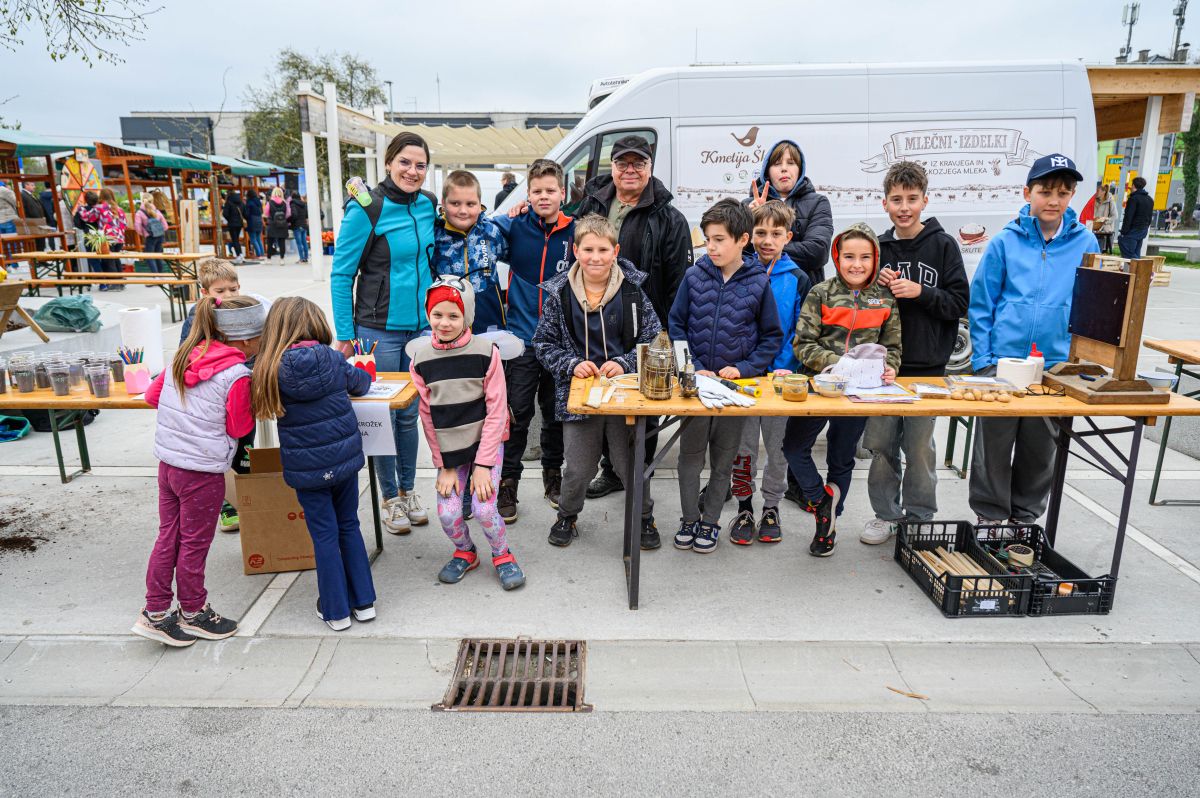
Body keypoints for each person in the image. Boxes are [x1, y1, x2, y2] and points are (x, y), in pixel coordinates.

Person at [969, 153, 1098, 527]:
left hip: (1055, 366)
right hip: (1004, 362)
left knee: (1040, 448)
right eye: (1045, 191)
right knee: (993, 445)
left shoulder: (1086, 243)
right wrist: (984, 360)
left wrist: (1078, 361)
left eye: (1063, 192)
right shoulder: (1004, 242)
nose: (1053, 200)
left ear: (1071, 196)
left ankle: (1024, 519)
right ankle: (990, 516)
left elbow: (1091, 305)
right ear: (1028, 193)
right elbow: (982, 303)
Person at [133, 295, 264, 646]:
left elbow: (151, 396)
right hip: (202, 473)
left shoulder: (182, 356)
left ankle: (155, 612)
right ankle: (193, 611)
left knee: (168, 536)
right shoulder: (237, 375)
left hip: (169, 465)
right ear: (247, 339)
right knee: (194, 544)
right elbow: (239, 428)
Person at [571, 134, 693, 500]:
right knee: (603, 398)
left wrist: (667, 335)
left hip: (645, 327)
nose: (630, 169)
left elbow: (678, 283)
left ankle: (638, 476)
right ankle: (611, 471)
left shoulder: (669, 218)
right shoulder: (591, 204)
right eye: (622, 162)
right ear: (612, 167)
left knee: (643, 407)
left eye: (638, 163)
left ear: (650, 167)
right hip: (595, 323)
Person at [535, 214, 663, 549]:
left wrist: (624, 362)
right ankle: (567, 515)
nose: (595, 257)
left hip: (624, 395)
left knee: (629, 463)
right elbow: (543, 344)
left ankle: (644, 517)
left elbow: (655, 341)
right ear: (576, 251)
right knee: (578, 467)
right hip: (579, 396)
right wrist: (571, 364)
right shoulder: (559, 294)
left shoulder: (633, 292)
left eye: (603, 250)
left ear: (615, 251)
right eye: (588, 249)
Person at [331, 131, 436, 535]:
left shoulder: (427, 205)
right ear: (389, 162)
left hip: (420, 330)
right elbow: (342, 274)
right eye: (405, 162)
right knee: (381, 417)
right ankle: (389, 498)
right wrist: (345, 334)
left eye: (420, 165)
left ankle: (408, 491)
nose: (412, 171)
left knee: (409, 415)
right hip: (375, 331)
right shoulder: (367, 208)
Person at [252, 297, 376, 631]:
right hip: (344, 461)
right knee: (349, 524)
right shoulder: (333, 358)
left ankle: (336, 611)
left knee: (324, 535)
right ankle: (364, 603)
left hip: (305, 468)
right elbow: (362, 383)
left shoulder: (269, 368)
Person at [860, 161, 968, 545]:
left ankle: (920, 515)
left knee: (920, 447)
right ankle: (885, 514)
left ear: (925, 200)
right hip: (882, 368)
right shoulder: (878, 248)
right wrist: (875, 285)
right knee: (881, 446)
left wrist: (921, 292)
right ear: (884, 203)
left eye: (911, 199)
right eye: (896, 200)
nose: (904, 207)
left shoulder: (943, 245)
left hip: (928, 367)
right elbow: (859, 303)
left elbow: (959, 303)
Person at [668, 199, 782, 554]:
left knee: (723, 461)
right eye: (708, 239)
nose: (712, 247)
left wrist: (745, 368)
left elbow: (771, 337)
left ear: (742, 239)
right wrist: (691, 365)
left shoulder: (758, 283)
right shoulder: (693, 276)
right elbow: (676, 325)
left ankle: (711, 521)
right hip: (696, 388)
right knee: (689, 458)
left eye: (719, 239)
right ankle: (689, 518)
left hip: (733, 392)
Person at [785, 223, 901, 557]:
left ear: (875, 259)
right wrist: (839, 363)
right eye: (849, 256)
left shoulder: (884, 298)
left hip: (859, 393)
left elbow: (892, 346)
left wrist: (891, 367)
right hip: (818, 386)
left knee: (841, 457)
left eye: (865, 257)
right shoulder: (820, 293)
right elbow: (803, 344)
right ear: (837, 257)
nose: (857, 264)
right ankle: (822, 501)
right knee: (793, 447)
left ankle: (826, 528)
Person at [411, 278, 526, 590]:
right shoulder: (420, 360)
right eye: (437, 314)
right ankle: (465, 551)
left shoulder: (486, 352)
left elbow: (497, 411)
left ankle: (502, 554)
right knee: (448, 514)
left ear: (467, 316)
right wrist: (445, 466)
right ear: (428, 314)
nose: (444, 323)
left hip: (486, 446)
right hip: (450, 452)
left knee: (484, 508)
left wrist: (483, 465)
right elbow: (427, 417)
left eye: (454, 315)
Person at [491, 158, 575, 522]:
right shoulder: (514, 227)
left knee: (555, 414)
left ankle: (553, 476)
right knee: (517, 414)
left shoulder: (575, 232)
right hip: (521, 340)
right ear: (527, 194)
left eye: (550, 190)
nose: (544, 196)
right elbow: (482, 230)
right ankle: (508, 481)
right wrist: (509, 213)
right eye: (537, 191)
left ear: (562, 193)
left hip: (559, 344)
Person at [724, 200, 812, 546]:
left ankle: (771, 506)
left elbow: (801, 330)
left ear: (788, 237)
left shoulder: (798, 278)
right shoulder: (738, 272)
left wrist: (782, 366)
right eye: (760, 232)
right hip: (744, 378)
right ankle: (744, 506)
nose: (767, 240)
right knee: (743, 447)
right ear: (748, 235)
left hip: (780, 380)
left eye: (776, 234)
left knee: (778, 449)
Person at [179, 259, 272, 532]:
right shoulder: (197, 318)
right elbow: (187, 356)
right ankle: (228, 507)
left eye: (233, 289)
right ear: (204, 292)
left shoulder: (247, 312)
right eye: (220, 291)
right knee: (220, 454)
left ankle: (248, 500)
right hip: (213, 401)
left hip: (244, 394)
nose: (229, 295)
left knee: (244, 448)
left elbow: (258, 350)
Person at [747, 139, 834, 289]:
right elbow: (738, 252)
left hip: (804, 292)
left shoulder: (818, 202)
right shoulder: (748, 205)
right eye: (777, 164)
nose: (784, 169)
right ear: (767, 171)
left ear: (800, 169)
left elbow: (817, 252)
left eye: (791, 163)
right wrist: (753, 220)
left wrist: (764, 247)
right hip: (756, 291)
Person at [433, 170, 509, 334]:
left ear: (480, 204)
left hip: (488, 323)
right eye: (455, 203)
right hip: (447, 324)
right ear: (443, 204)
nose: (463, 211)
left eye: (470, 204)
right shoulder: (435, 236)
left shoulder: (492, 232)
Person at [78, 188, 127, 289]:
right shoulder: (119, 208)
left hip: (108, 238)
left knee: (109, 261)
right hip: (120, 238)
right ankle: (121, 282)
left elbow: (87, 217)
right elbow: (124, 224)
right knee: (116, 259)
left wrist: (80, 208)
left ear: (101, 197)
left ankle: (115, 284)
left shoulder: (100, 207)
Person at [1118, 176, 1153, 259]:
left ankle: (1142, 266)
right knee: (1136, 253)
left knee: (1127, 250)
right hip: (1143, 229)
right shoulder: (1150, 199)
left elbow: (1128, 217)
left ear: (1133, 185)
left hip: (1133, 229)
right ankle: (1138, 266)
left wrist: (1123, 232)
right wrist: (1146, 227)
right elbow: (1150, 215)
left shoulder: (1133, 199)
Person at [134, 196, 169, 263]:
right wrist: (159, 231)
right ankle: (160, 270)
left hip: (150, 236)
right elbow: (165, 226)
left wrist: (144, 233)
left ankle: (154, 270)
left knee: (149, 257)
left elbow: (137, 226)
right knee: (159, 257)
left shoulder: (139, 212)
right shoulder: (157, 211)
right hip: (160, 236)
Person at [264, 187, 291, 260]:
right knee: (282, 242)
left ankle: (269, 258)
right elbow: (288, 214)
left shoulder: (269, 203)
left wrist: (271, 216)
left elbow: (266, 213)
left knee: (270, 242)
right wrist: (282, 218)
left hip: (272, 224)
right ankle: (282, 259)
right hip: (282, 224)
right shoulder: (285, 203)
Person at [1092, 183, 1118, 253]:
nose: (1096, 192)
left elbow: (1115, 216)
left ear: (1103, 192)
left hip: (1104, 231)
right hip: (1094, 229)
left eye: (1098, 191)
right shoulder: (1094, 200)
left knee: (1100, 250)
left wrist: (1104, 221)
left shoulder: (1110, 202)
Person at [223, 191, 246, 264]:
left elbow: (225, 213)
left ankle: (239, 256)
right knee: (237, 239)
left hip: (232, 224)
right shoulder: (241, 202)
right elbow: (245, 213)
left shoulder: (228, 202)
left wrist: (229, 219)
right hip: (239, 224)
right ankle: (241, 255)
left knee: (234, 240)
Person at [289, 190, 310, 263]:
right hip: (304, 225)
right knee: (304, 242)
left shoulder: (293, 204)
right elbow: (306, 215)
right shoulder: (303, 204)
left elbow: (294, 215)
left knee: (299, 243)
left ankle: (301, 258)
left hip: (297, 225)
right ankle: (306, 258)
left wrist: (290, 220)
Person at [244, 189, 264, 259]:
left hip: (252, 222)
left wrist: (244, 215)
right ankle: (262, 253)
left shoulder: (249, 203)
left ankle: (258, 254)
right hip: (259, 221)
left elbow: (247, 214)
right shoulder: (259, 202)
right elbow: (261, 212)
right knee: (258, 239)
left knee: (253, 239)